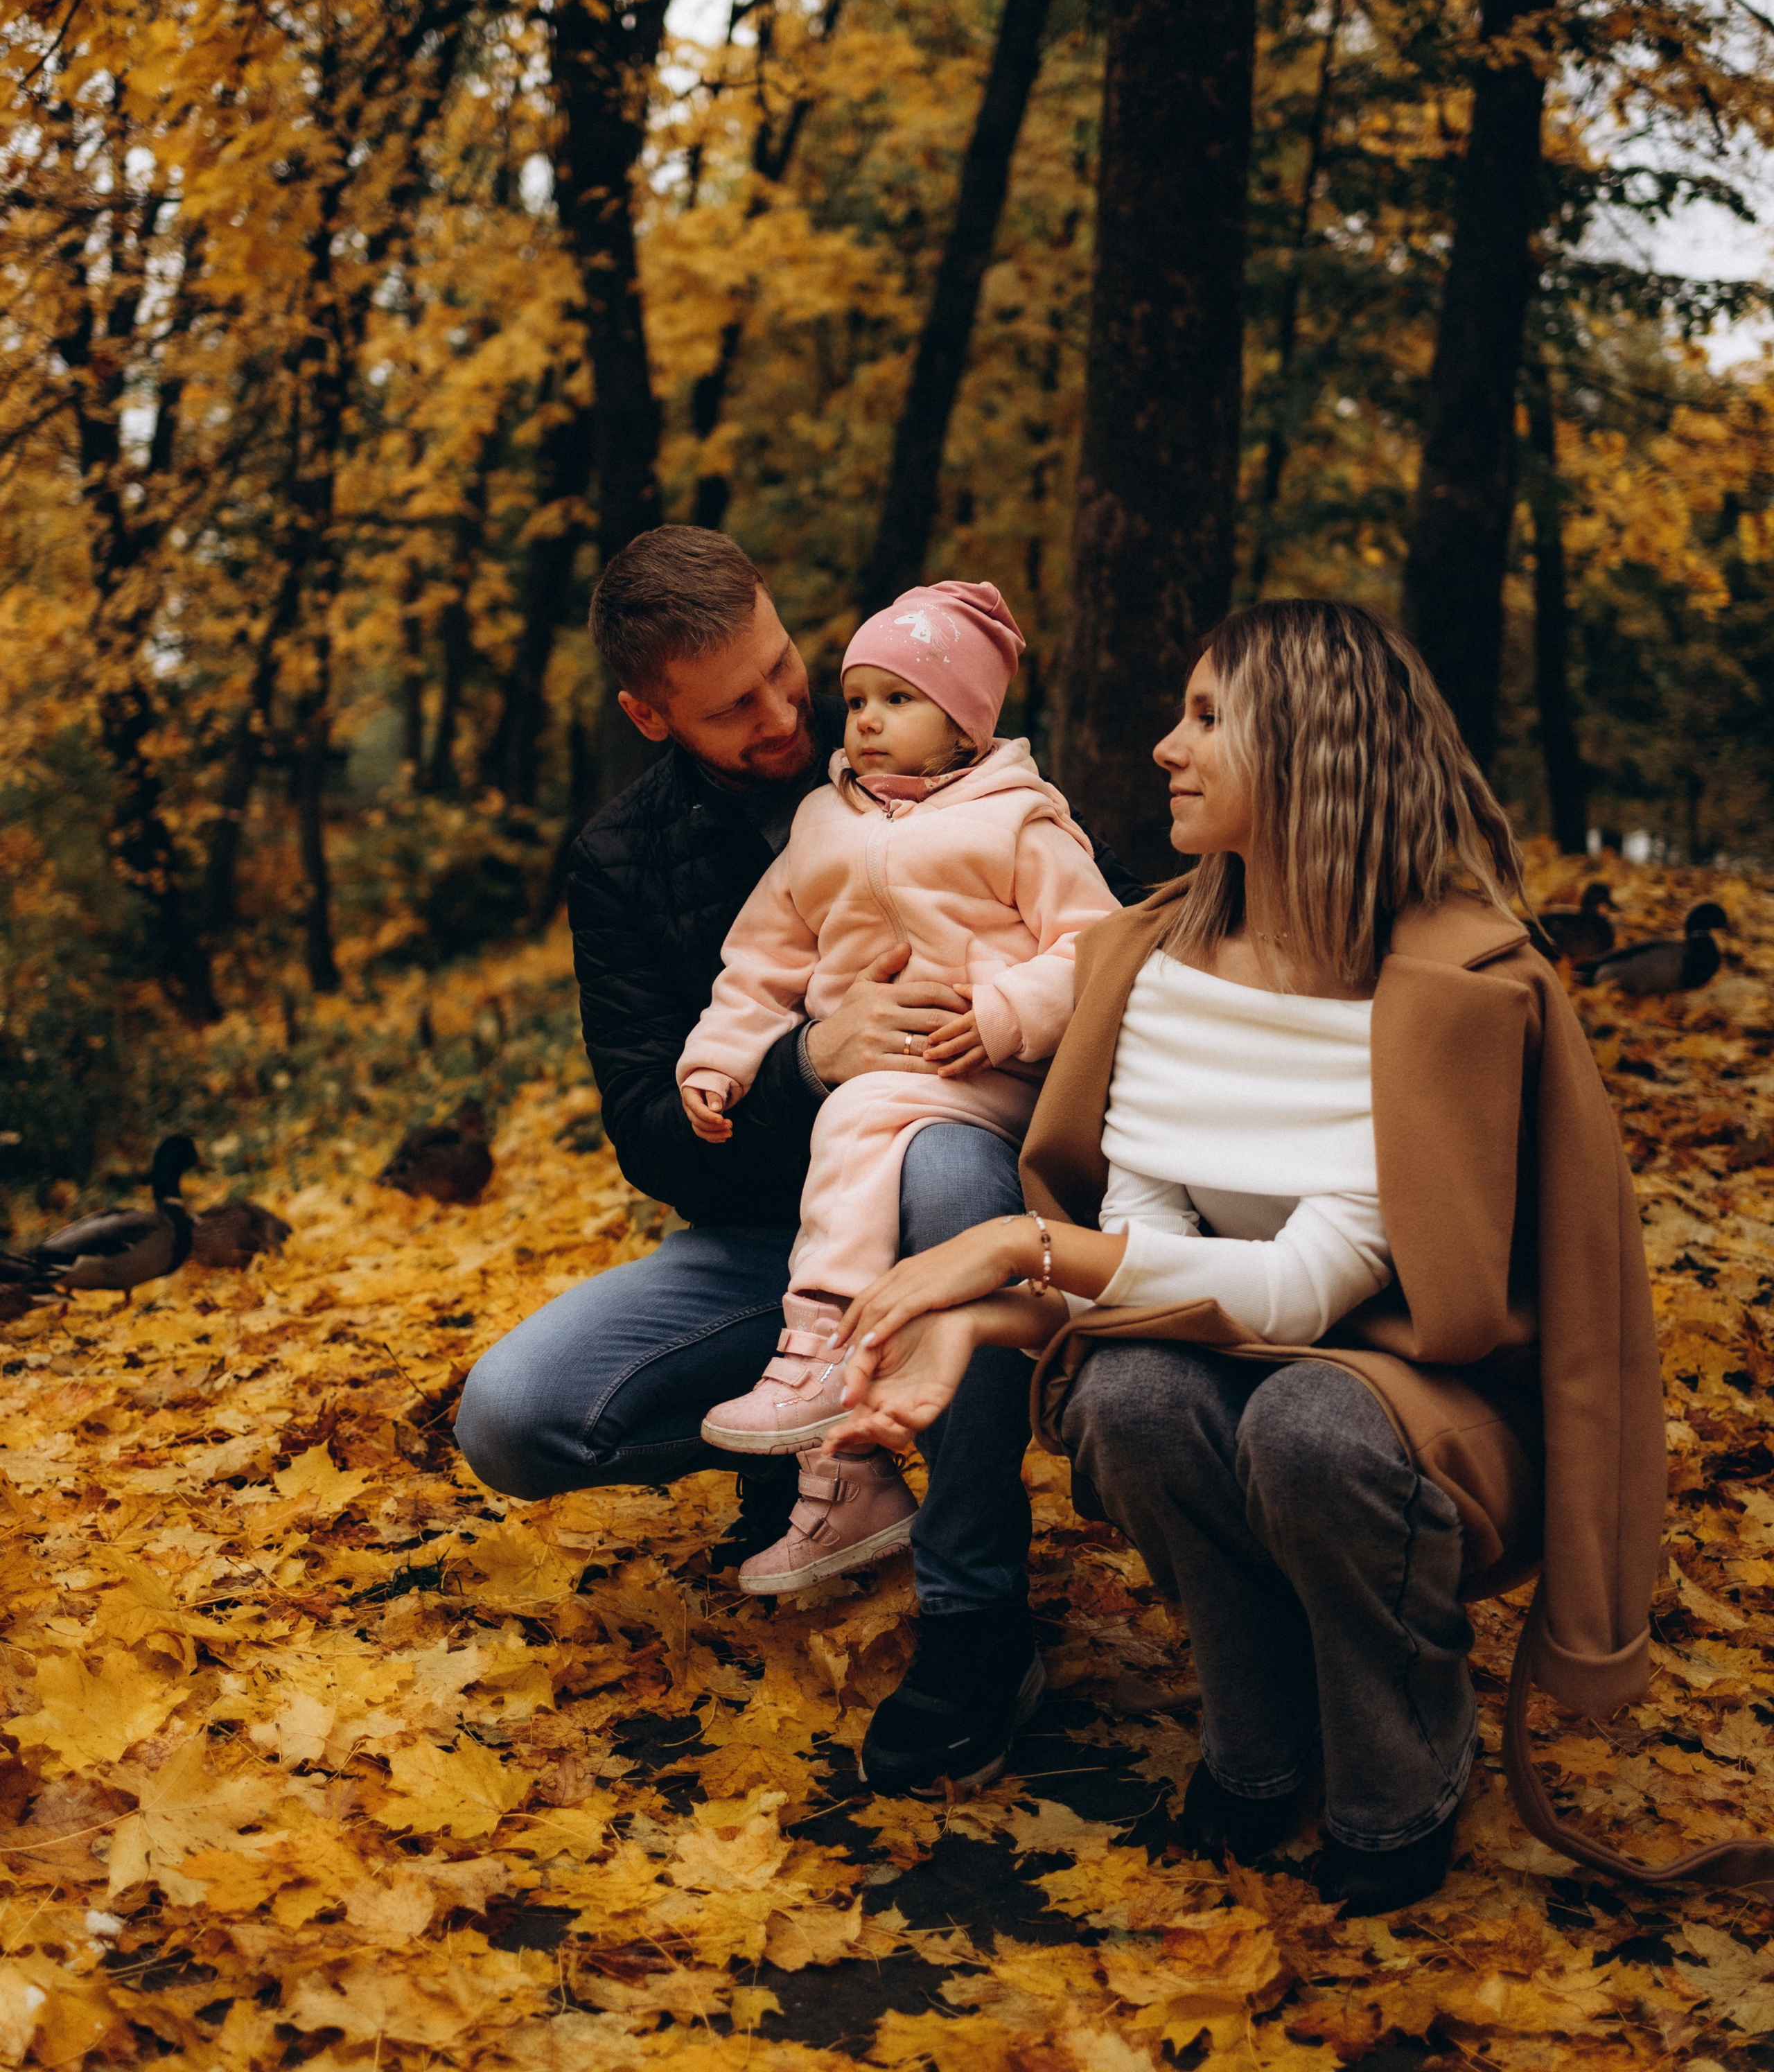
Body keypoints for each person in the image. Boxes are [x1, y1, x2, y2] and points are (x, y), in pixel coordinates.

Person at [825, 598, 1670, 1914]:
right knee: (1132, 1398)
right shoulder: (1151, 960)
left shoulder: (1455, 990)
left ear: (1317, 749)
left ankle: (1406, 1757)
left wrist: (1018, 1248)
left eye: (1210, 718)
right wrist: (996, 1320)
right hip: (1228, 1364)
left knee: (1312, 1422)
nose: (1167, 746)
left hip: (1426, 1405)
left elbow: (1306, 1290)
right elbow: (1150, 1242)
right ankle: (1258, 1732)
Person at [454, 525, 1141, 1795]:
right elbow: (653, 1135)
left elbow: (1096, 959)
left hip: (963, 1191)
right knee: (510, 1418)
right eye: (734, 709)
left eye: (787, 671)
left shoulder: (954, 764)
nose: (789, 716)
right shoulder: (621, 862)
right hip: (766, 1234)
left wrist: (991, 1023)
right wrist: (803, 1064)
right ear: (650, 717)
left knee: (942, 1179)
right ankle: (816, 1453)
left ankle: (977, 1620)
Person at [677, 579, 1119, 1595]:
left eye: (898, 699)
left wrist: (1007, 1013)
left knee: (864, 1118)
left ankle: (823, 1335)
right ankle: (845, 1477)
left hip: (997, 1075)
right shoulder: (823, 826)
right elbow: (760, 964)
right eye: (858, 696)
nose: (864, 720)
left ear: (965, 722)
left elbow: (1097, 946)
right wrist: (720, 1060)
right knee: (863, 1132)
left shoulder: (1018, 822)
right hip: (882, 1086)